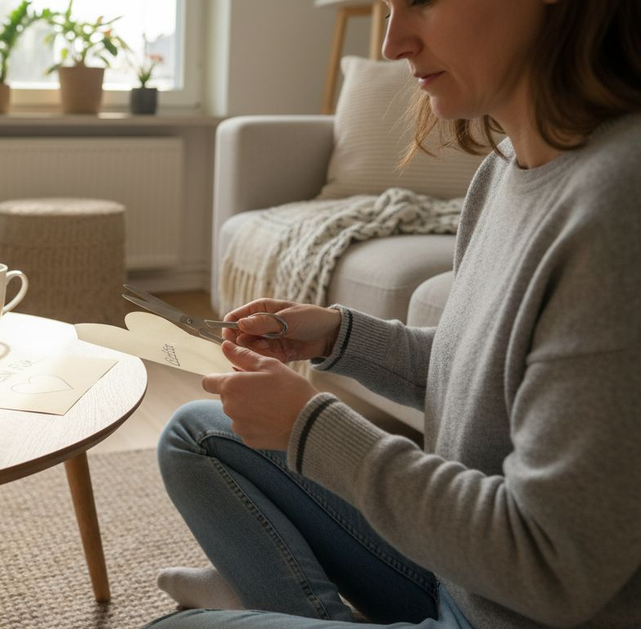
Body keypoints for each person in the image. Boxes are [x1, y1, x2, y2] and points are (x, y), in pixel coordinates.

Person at [151, 1, 641, 628]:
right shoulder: (502, 171)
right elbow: (487, 377)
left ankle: (277, 601)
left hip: (516, 604)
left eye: (419, 1)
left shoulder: (619, 208)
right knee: (197, 432)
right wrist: (338, 336)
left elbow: (552, 565)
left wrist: (312, 428)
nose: (391, 43)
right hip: (465, 577)